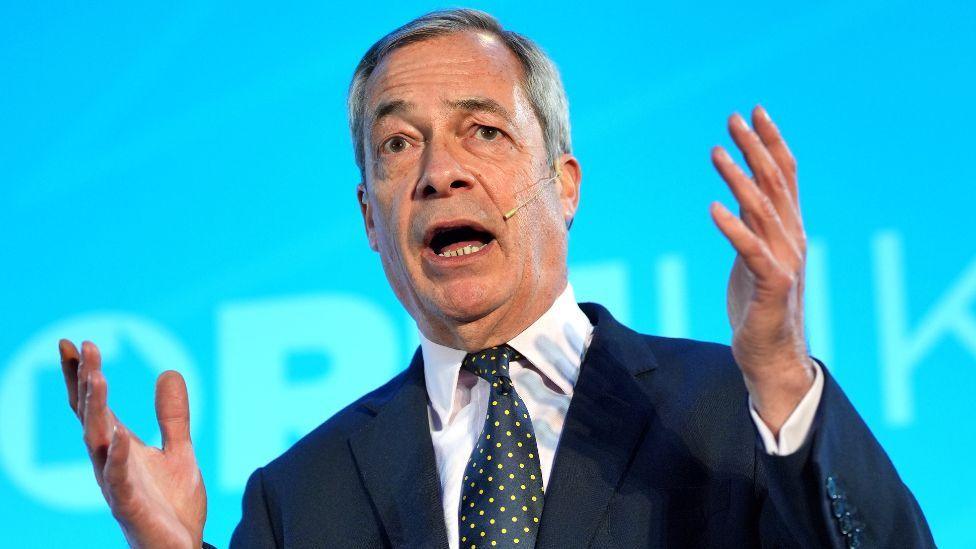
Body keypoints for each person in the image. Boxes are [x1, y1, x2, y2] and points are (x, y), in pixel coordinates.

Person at [58, 8, 933, 548]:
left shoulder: (731, 410)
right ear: (371, 218)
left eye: (483, 130)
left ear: (564, 182)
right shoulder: (299, 496)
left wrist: (780, 372)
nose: (439, 170)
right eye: (400, 145)